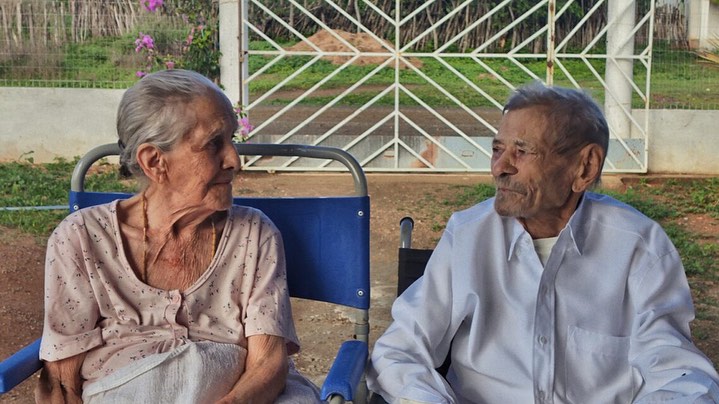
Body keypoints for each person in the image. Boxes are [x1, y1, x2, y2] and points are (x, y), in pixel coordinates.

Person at [367, 82, 719, 403]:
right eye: (497, 149)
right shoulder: (469, 236)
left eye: (522, 151)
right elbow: (401, 350)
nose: (500, 167)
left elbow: (678, 373)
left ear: (585, 167)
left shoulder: (638, 247)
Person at [35, 69, 322, 403]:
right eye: (214, 143)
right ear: (155, 161)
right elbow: (63, 383)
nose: (234, 161)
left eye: (231, 139)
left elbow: (268, 363)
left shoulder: (254, 234)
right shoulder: (80, 238)